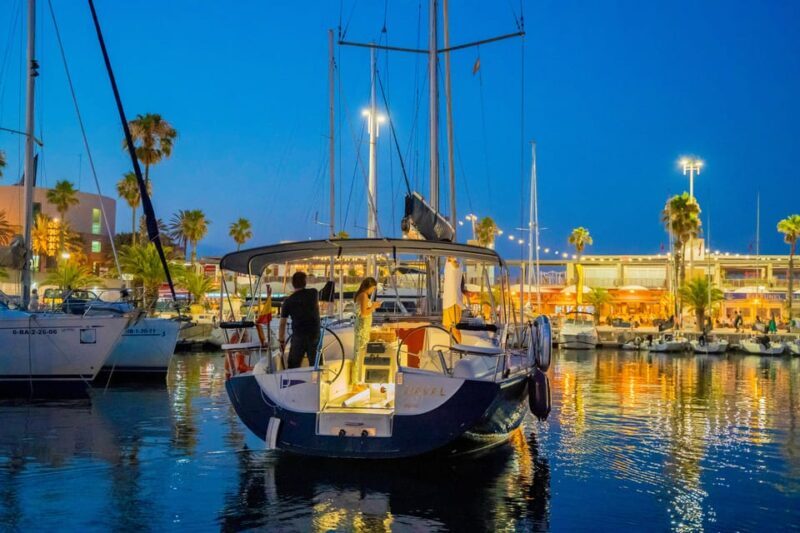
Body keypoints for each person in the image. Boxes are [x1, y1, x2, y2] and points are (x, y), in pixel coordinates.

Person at [278, 272, 321, 369]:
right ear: (305, 282)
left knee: (293, 366)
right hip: (314, 335)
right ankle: (316, 382)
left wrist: (281, 341)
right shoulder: (314, 293)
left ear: (292, 283)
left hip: (298, 336)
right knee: (316, 365)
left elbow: (282, 324)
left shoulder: (288, 301)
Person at [352, 277, 379, 383]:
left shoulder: (361, 295)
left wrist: (372, 305)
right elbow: (363, 313)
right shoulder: (363, 295)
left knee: (360, 353)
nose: (373, 291)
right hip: (362, 328)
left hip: (363, 327)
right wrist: (373, 307)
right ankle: (356, 382)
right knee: (360, 354)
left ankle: (359, 380)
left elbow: (363, 309)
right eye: (373, 288)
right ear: (368, 287)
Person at [442, 257, 465, 343]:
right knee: (448, 328)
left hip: (453, 300)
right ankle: (454, 348)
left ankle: (459, 349)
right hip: (447, 301)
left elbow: (456, 265)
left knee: (455, 328)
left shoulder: (456, 260)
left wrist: (452, 259)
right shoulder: (448, 262)